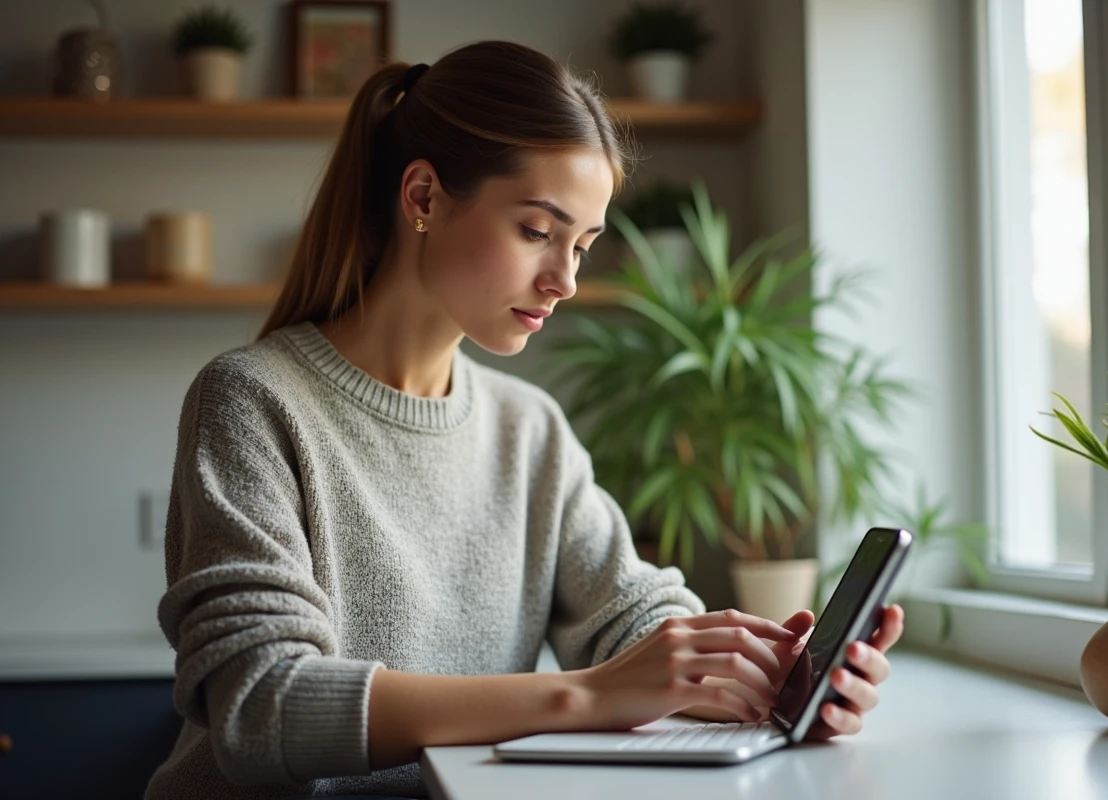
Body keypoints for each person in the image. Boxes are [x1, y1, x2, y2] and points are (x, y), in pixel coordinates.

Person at [143, 40, 905, 800]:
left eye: (582, 245)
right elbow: (262, 705)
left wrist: (760, 674)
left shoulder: (528, 429)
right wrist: (590, 696)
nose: (565, 279)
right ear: (423, 198)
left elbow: (632, 611)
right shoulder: (251, 399)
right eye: (538, 231)